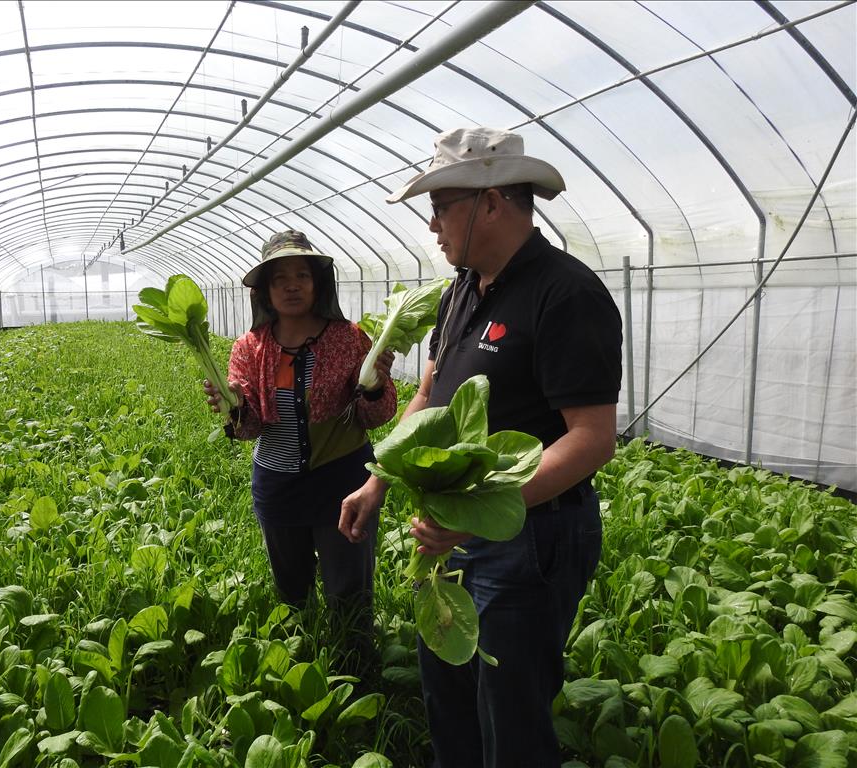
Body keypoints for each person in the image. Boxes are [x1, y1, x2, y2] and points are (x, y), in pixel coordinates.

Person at [339, 128, 623, 767]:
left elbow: (591, 439)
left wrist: (473, 513)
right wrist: (378, 477)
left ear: (490, 203)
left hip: (530, 539)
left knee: (511, 716)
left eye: (441, 207)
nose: (433, 224)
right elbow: (432, 395)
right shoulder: (464, 290)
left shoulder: (566, 294)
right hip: (456, 536)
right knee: (450, 695)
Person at [203, 229, 397, 676]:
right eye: (280, 278)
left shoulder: (349, 339)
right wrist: (233, 407)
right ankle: (302, 663)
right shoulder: (249, 348)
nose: (292, 286)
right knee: (291, 587)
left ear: (318, 284)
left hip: (342, 482)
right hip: (278, 483)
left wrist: (374, 388)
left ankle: (354, 665)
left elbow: (378, 415)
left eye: (302, 276)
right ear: (266, 291)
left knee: (349, 585)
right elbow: (250, 429)